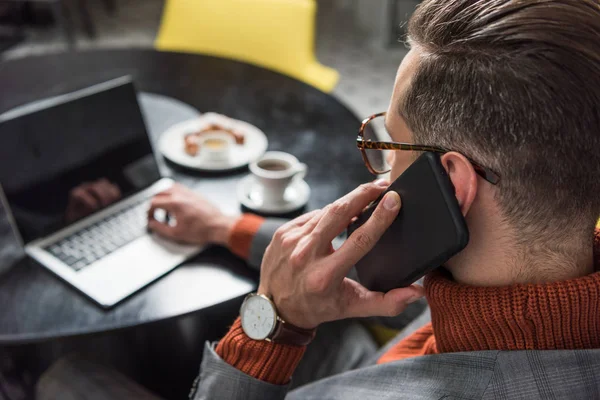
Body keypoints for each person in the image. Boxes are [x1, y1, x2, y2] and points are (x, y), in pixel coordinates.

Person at [35, 0, 600, 398]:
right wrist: (221, 227)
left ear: (452, 184)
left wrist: (268, 325)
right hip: (389, 346)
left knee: (64, 376)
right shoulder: (547, 256)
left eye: (392, 144)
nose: (384, 170)